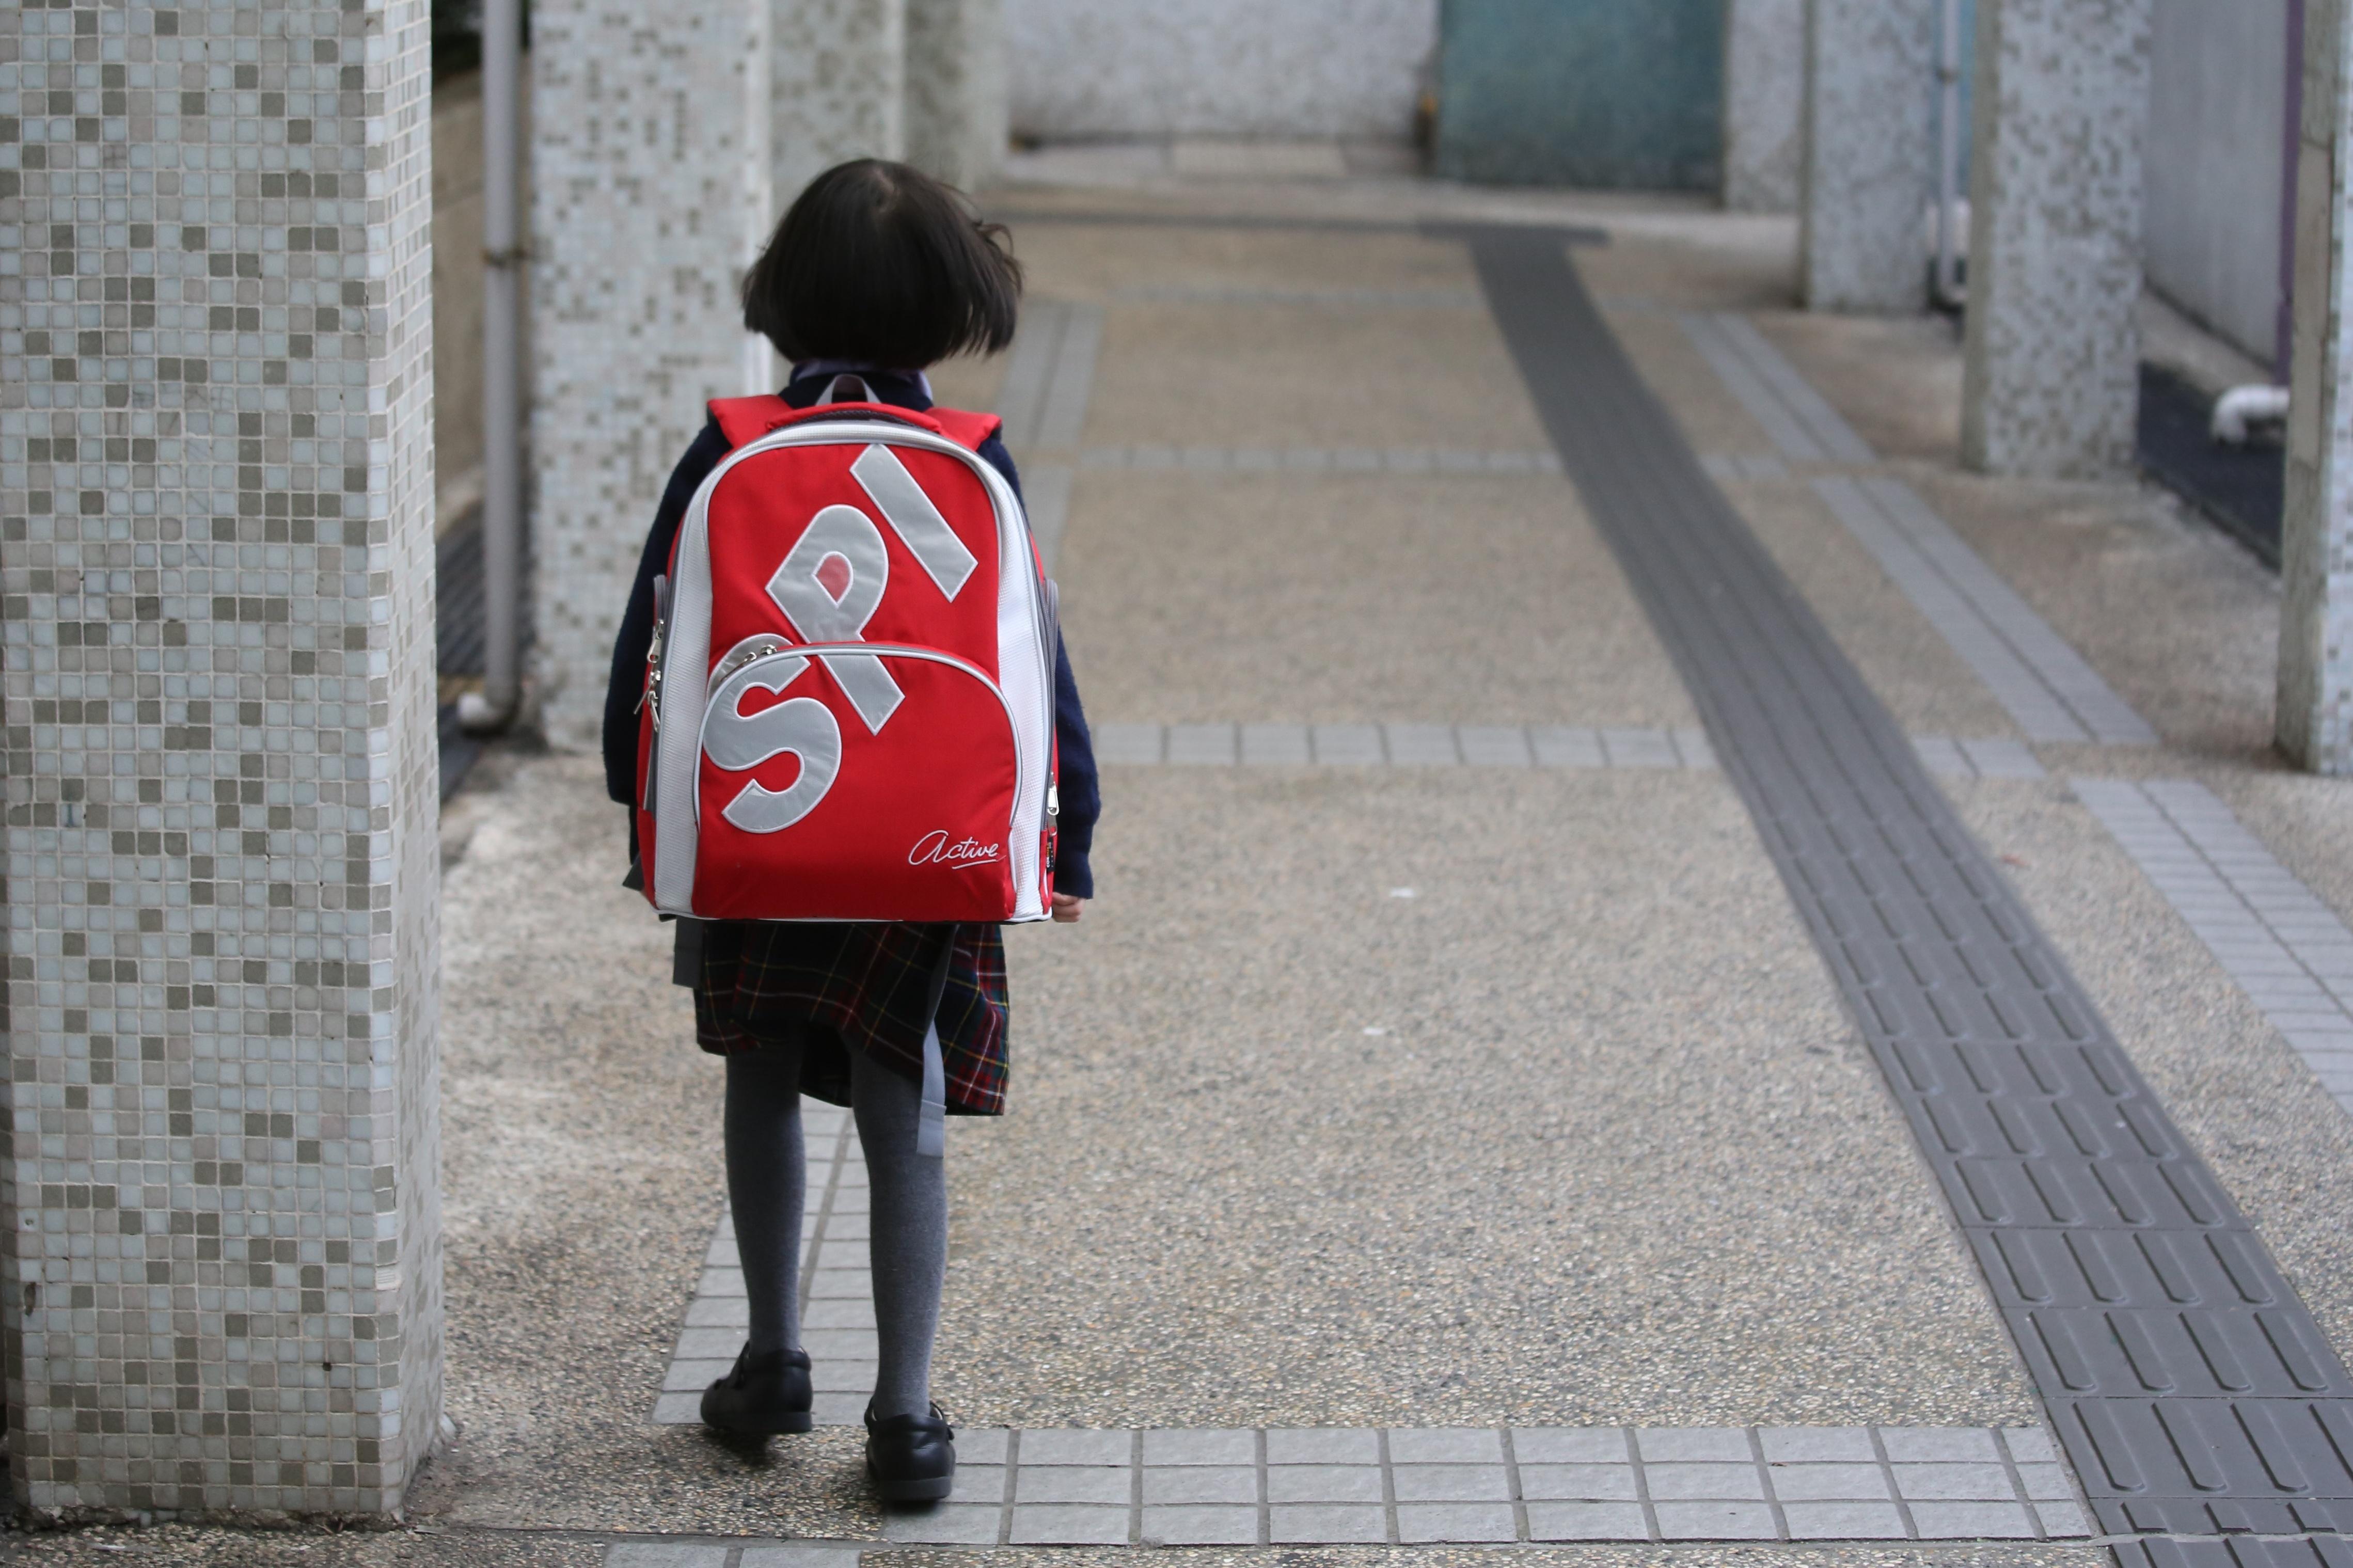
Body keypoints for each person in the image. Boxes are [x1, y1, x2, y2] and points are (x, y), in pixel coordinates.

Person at [600, 159, 1101, 1503]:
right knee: (905, 1097)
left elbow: (650, 639)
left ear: (784, 302)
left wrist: (637, 807)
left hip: (759, 839)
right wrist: (1073, 839)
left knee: (758, 1072)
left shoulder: (735, 446)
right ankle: (907, 1419)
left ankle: (770, 1359)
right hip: (920, 848)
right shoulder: (974, 463)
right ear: (952, 309)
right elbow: (1038, 668)